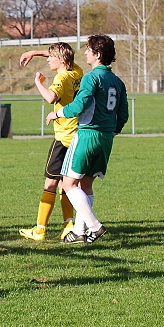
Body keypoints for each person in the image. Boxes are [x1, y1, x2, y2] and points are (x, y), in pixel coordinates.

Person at [47, 35, 128, 245]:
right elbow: (123, 114)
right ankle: (80, 233)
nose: (85, 53)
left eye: (88, 49)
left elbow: (79, 105)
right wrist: (111, 130)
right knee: (85, 185)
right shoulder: (118, 82)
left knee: (67, 183)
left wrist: (58, 113)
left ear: (98, 54)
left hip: (87, 134)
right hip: (106, 137)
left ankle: (94, 226)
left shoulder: (91, 78)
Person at [18, 43, 83, 241]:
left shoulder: (62, 78)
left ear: (61, 60)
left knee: (50, 183)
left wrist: (38, 83)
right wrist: (34, 52)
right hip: (76, 135)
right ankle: (68, 224)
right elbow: (61, 54)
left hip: (63, 137)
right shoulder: (76, 71)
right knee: (67, 183)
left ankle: (40, 229)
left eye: (50, 57)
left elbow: (51, 97)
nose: (48, 59)